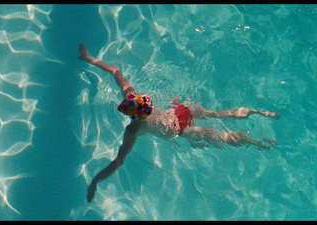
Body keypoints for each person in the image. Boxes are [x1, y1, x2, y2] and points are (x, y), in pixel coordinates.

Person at [78, 44, 280, 203]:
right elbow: (114, 71)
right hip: (180, 110)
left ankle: (259, 144)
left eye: (125, 107)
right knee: (218, 114)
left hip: (180, 129)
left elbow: (119, 160)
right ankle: (259, 113)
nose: (122, 105)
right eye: (126, 102)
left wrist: (95, 181)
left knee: (224, 137)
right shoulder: (133, 96)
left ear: (135, 114)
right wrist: (89, 59)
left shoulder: (134, 129)